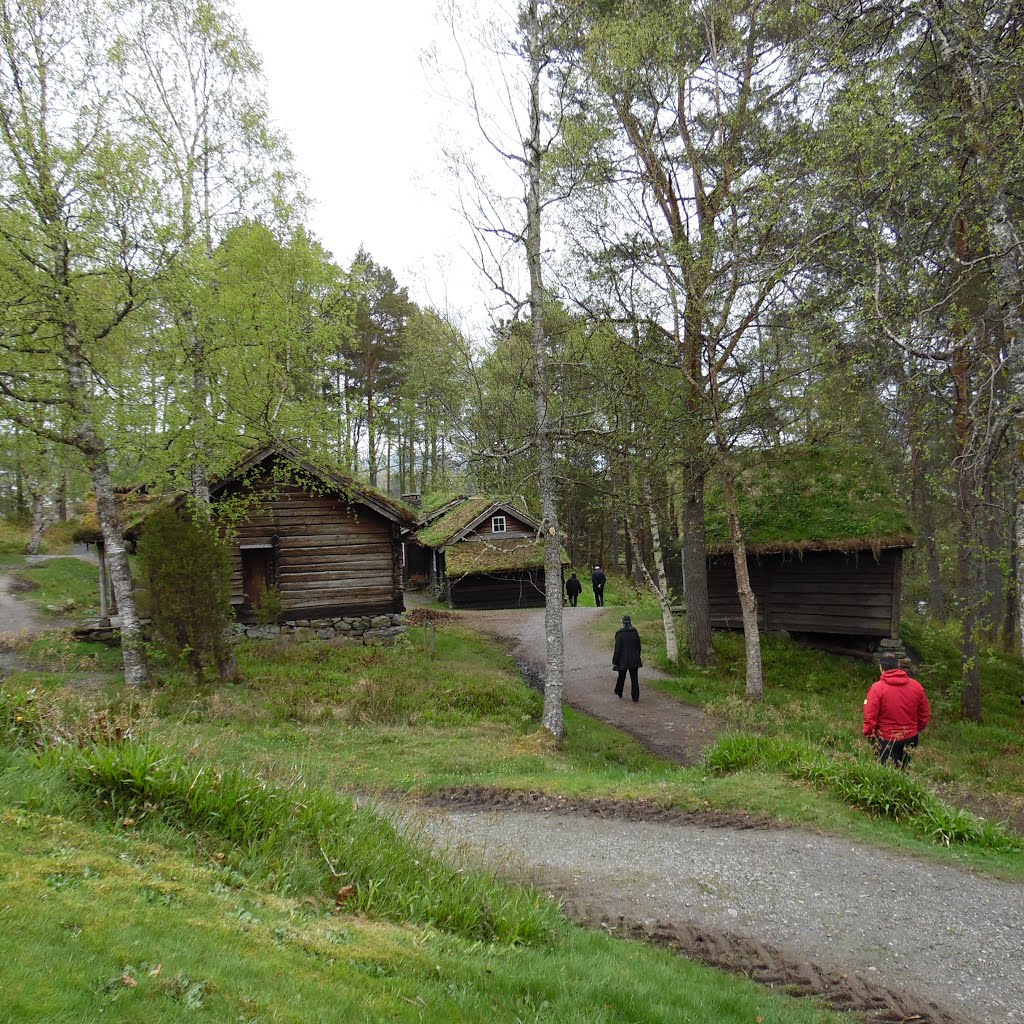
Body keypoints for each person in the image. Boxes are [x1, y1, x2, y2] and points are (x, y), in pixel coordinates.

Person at [862, 652, 931, 768]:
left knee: (886, 774)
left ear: (881, 667)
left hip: (886, 740)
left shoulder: (877, 688)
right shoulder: (916, 686)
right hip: (911, 738)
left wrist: (868, 734)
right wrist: (915, 729)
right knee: (904, 771)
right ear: (898, 665)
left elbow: (869, 715)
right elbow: (925, 713)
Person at [613, 614, 642, 702]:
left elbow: (617, 649)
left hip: (623, 660)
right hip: (634, 659)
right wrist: (638, 656)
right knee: (634, 679)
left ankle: (619, 691)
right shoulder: (635, 632)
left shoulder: (619, 634)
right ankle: (635, 696)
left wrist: (615, 661)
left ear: (623, 623)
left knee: (621, 677)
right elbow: (638, 646)